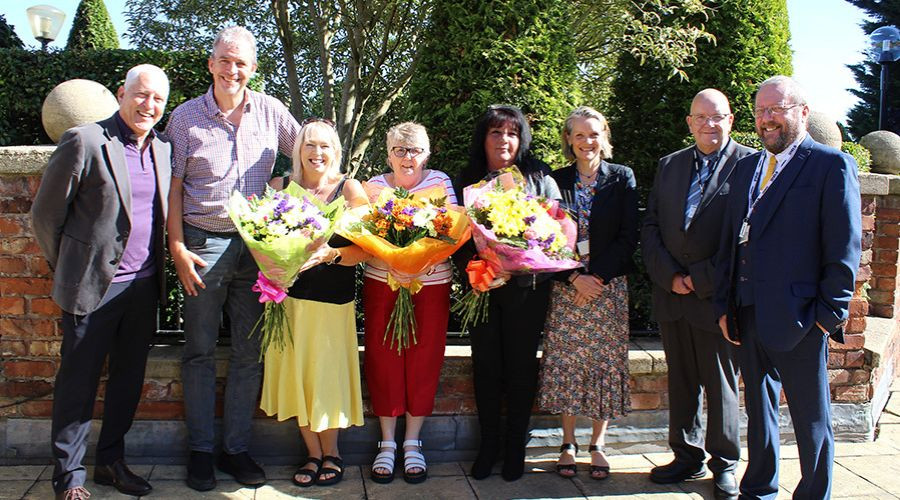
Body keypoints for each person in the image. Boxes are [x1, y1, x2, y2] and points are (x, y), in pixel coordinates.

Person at [165, 26, 301, 491]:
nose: (232, 69)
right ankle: (201, 451)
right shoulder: (184, 119)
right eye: (224, 60)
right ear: (211, 64)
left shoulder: (271, 111)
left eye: (241, 62)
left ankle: (236, 449)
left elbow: (305, 156)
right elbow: (174, 188)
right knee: (199, 352)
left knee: (249, 354)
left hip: (260, 249)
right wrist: (178, 248)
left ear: (254, 68)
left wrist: (293, 206)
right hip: (204, 244)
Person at [714, 75, 861, 499]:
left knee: (811, 417)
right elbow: (731, 241)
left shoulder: (829, 165)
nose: (767, 119)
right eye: (761, 110)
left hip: (801, 317)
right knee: (758, 411)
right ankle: (759, 486)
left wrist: (827, 317)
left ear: (802, 112)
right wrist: (726, 306)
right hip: (747, 310)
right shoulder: (745, 168)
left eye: (776, 109)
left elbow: (843, 247)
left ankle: (815, 492)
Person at [31, 64, 171, 500]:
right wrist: (72, 267)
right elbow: (45, 216)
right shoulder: (86, 140)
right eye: (141, 95)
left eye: (158, 100)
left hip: (142, 288)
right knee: (79, 382)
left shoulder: (163, 149)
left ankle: (111, 461)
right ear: (121, 94)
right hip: (94, 287)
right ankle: (69, 475)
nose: (148, 105)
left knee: (128, 380)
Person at [642, 89, 754, 499]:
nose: (710, 124)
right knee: (682, 382)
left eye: (717, 116)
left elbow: (748, 236)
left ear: (731, 119)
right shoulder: (669, 165)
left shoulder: (751, 165)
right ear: (689, 122)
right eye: (701, 117)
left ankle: (724, 463)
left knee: (721, 383)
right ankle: (686, 457)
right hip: (673, 297)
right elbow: (651, 226)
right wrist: (671, 276)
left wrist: (701, 279)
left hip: (717, 298)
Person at [453, 105, 562, 482]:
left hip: (527, 291)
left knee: (520, 369)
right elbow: (456, 237)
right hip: (483, 288)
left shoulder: (539, 176)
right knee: (486, 369)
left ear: (522, 139)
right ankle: (488, 447)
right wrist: (480, 265)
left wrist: (520, 260)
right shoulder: (466, 179)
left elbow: (555, 234)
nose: (504, 140)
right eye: (496, 133)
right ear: (483, 138)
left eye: (512, 133)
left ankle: (516, 447)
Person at [259, 119, 370, 487]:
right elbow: (259, 236)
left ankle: (333, 453)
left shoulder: (349, 188)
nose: (316, 153)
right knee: (299, 378)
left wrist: (328, 255)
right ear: (299, 150)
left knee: (328, 378)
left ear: (335, 151)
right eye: (309, 145)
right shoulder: (280, 187)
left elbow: (364, 251)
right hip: (289, 302)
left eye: (324, 146)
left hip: (333, 302)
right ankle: (312, 453)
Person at [539, 106, 638, 481]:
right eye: (578, 135)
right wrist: (573, 278)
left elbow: (630, 235)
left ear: (604, 135)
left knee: (603, 365)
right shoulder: (554, 179)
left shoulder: (622, 177)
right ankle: (567, 443)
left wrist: (595, 277)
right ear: (568, 139)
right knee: (567, 363)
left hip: (608, 287)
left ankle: (598, 444)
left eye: (593, 134)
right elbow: (543, 236)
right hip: (567, 288)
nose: (586, 141)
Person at [362, 122, 457, 484]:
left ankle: (413, 441)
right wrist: (396, 264)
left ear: (427, 153)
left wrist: (416, 264)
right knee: (383, 357)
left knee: (424, 356)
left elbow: (451, 231)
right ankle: (387, 443)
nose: (407, 157)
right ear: (388, 154)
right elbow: (365, 235)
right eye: (399, 150)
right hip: (382, 282)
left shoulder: (440, 182)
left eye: (414, 149)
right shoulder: (374, 188)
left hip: (431, 283)